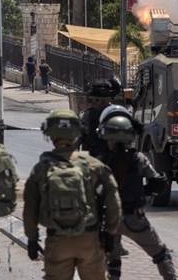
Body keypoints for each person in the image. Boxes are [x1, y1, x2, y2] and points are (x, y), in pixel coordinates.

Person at [22, 108, 121, 280]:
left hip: (57, 241)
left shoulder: (41, 169)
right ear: (76, 133)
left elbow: (30, 209)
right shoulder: (94, 165)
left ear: (50, 134)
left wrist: (32, 239)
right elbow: (114, 203)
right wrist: (110, 234)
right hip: (89, 239)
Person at [96, 106, 177, 280]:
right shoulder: (138, 159)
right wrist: (142, 191)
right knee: (160, 254)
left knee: (112, 262)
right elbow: (158, 184)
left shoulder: (100, 162)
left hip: (110, 220)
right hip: (135, 218)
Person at [79, 79, 123, 159]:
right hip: (116, 161)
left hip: (92, 161)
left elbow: (77, 140)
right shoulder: (119, 113)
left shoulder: (86, 115)